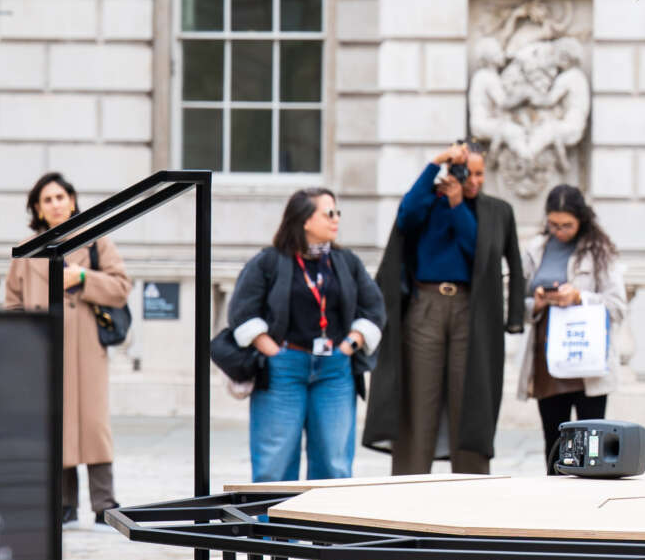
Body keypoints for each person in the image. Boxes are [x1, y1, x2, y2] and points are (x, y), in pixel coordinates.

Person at [364, 140, 525, 474]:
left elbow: (482, 254)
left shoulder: (494, 210)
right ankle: (409, 485)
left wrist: (457, 206)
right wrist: (433, 165)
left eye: (480, 174)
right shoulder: (430, 201)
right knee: (419, 397)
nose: (475, 181)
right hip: (426, 305)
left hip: (471, 308)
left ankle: (469, 486)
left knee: (468, 397)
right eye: (469, 173)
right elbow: (406, 215)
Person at [225, 188, 385, 482]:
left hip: (335, 370)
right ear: (304, 221)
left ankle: (324, 528)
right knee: (274, 465)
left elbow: (374, 309)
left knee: (334, 465)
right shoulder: (269, 261)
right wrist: (271, 349)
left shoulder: (346, 261)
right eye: (329, 213)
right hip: (284, 367)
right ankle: (269, 530)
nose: (336, 219)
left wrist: (351, 344)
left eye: (337, 213)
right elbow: (241, 311)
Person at [6, 172, 131, 525]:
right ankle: (64, 503)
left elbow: (121, 287)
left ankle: (104, 502)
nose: (56, 204)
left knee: (93, 423)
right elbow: (13, 303)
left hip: (87, 348)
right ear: (38, 209)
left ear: (73, 201)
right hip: (44, 350)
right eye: (47, 200)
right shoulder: (26, 252)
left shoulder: (95, 243)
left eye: (60, 197)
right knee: (55, 423)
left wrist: (82, 278)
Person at [516, 185, 624, 466]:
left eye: (566, 225)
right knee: (554, 443)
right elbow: (514, 302)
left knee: (591, 444)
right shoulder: (536, 250)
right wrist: (539, 302)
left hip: (587, 358)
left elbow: (617, 306)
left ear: (581, 221)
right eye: (553, 224)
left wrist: (579, 297)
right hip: (548, 359)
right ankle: (555, 501)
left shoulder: (599, 252)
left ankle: (591, 501)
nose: (559, 231)